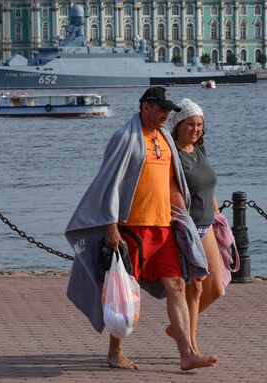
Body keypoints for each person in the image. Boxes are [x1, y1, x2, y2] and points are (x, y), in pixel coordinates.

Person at [65, 86, 218, 371]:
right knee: (125, 290)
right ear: (145, 107)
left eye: (167, 111)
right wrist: (111, 226)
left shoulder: (164, 138)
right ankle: (115, 351)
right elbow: (108, 183)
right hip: (132, 229)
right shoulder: (125, 138)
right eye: (159, 109)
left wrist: (182, 215)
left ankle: (186, 353)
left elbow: (172, 180)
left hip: (165, 227)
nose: (164, 115)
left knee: (176, 285)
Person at [168, 98, 225, 354]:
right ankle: (191, 347)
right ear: (178, 125)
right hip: (187, 227)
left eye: (199, 124)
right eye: (190, 124)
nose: (195, 129)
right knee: (196, 288)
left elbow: (207, 182)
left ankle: (177, 327)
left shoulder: (200, 150)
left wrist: (217, 214)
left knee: (216, 287)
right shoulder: (173, 155)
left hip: (207, 224)